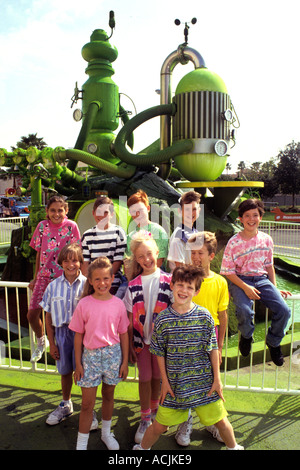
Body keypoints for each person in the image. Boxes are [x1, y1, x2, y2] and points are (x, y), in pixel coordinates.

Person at [133, 266, 243, 451]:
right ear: (172, 285)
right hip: (175, 386)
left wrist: (217, 379)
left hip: (204, 385)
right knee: (160, 426)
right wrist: (165, 383)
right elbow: (159, 352)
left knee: (221, 421)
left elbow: (213, 349)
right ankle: (141, 449)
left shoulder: (205, 316)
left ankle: (234, 447)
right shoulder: (163, 320)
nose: (184, 290)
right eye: (180, 285)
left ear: (197, 291)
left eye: (190, 287)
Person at [220, 198, 291, 366]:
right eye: (247, 215)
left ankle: (273, 342)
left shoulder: (266, 239)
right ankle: (246, 336)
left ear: (260, 217)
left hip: (261, 279)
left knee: (284, 310)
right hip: (240, 280)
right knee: (244, 310)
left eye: (255, 215)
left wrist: (274, 288)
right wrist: (245, 287)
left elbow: (269, 267)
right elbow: (228, 272)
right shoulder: (233, 242)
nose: (251, 219)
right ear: (241, 219)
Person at [175, 231, 229, 446]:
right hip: (187, 336)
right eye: (192, 253)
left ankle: (212, 422)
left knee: (211, 380)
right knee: (186, 379)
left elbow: (222, 315)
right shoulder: (184, 278)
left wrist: (221, 345)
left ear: (211, 255)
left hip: (210, 338)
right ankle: (185, 422)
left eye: (200, 253)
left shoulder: (220, 282)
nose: (196, 257)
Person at [69, 257, 129, 450]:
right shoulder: (84, 304)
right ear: (91, 281)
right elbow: (78, 336)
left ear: (112, 278)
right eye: (97, 279)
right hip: (90, 358)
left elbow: (124, 335)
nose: (102, 283)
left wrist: (125, 362)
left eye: (106, 278)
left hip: (113, 356)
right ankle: (81, 444)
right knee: (87, 404)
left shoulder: (118, 304)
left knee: (109, 396)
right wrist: (78, 364)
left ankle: (106, 434)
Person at [40, 243, 97, 429]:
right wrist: (52, 343)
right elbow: (48, 316)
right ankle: (66, 404)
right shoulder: (53, 286)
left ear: (81, 262)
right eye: (66, 260)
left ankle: (89, 409)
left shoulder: (88, 285)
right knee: (65, 371)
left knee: (84, 372)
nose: (70, 264)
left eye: (74, 260)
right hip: (62, 333)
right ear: (60, 263)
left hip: (84, 334)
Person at [123, 231, 172, 444]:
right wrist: (129, 347)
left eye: (149, 254)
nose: (146, 259)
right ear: (136, 259)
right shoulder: (132, 286)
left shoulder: (170, 281)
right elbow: (127, 317)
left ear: (157, 253)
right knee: (144, 378)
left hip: (162, 344)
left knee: (157, 378)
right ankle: (145, 417)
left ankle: (154, 410)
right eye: (141, 256)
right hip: (141, 342)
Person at [28, 196, 81, 362]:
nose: (56, 214)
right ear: (47, 211)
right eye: (53, 210)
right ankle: (41, 341)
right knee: (32, 314)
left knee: (62, 318)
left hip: (63, 278)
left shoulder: (71, 226)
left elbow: (77, 252)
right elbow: (38, 252)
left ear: (66, 211)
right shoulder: (42, 226)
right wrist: (36, 276)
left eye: (60, 210)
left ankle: (65, 352)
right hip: (44, 276)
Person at [81, 196, 127, 296]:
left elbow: (118, 261)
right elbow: (85, 263)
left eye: (105, 212)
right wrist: (89, 282)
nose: (101, 215)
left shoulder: (118, 233)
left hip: (113, 282)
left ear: (112, 214)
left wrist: (105, 279)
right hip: (93, 283)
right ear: (93, 213)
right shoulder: (87, 235)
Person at [126, 190, 169, 268]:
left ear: (148, 208)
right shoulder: (130, 237)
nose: (137, 214)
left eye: (141, 210)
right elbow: (128, 264)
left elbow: (159, 262)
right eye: (133, 211)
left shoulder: (159, 231)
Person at [167, 190, 201, 271]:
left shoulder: (196, 233)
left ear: (199, 210)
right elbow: (180, 269)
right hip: (182, 280)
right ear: (180, 211)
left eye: (194, 209)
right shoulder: (178, 237)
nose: (190, 213)